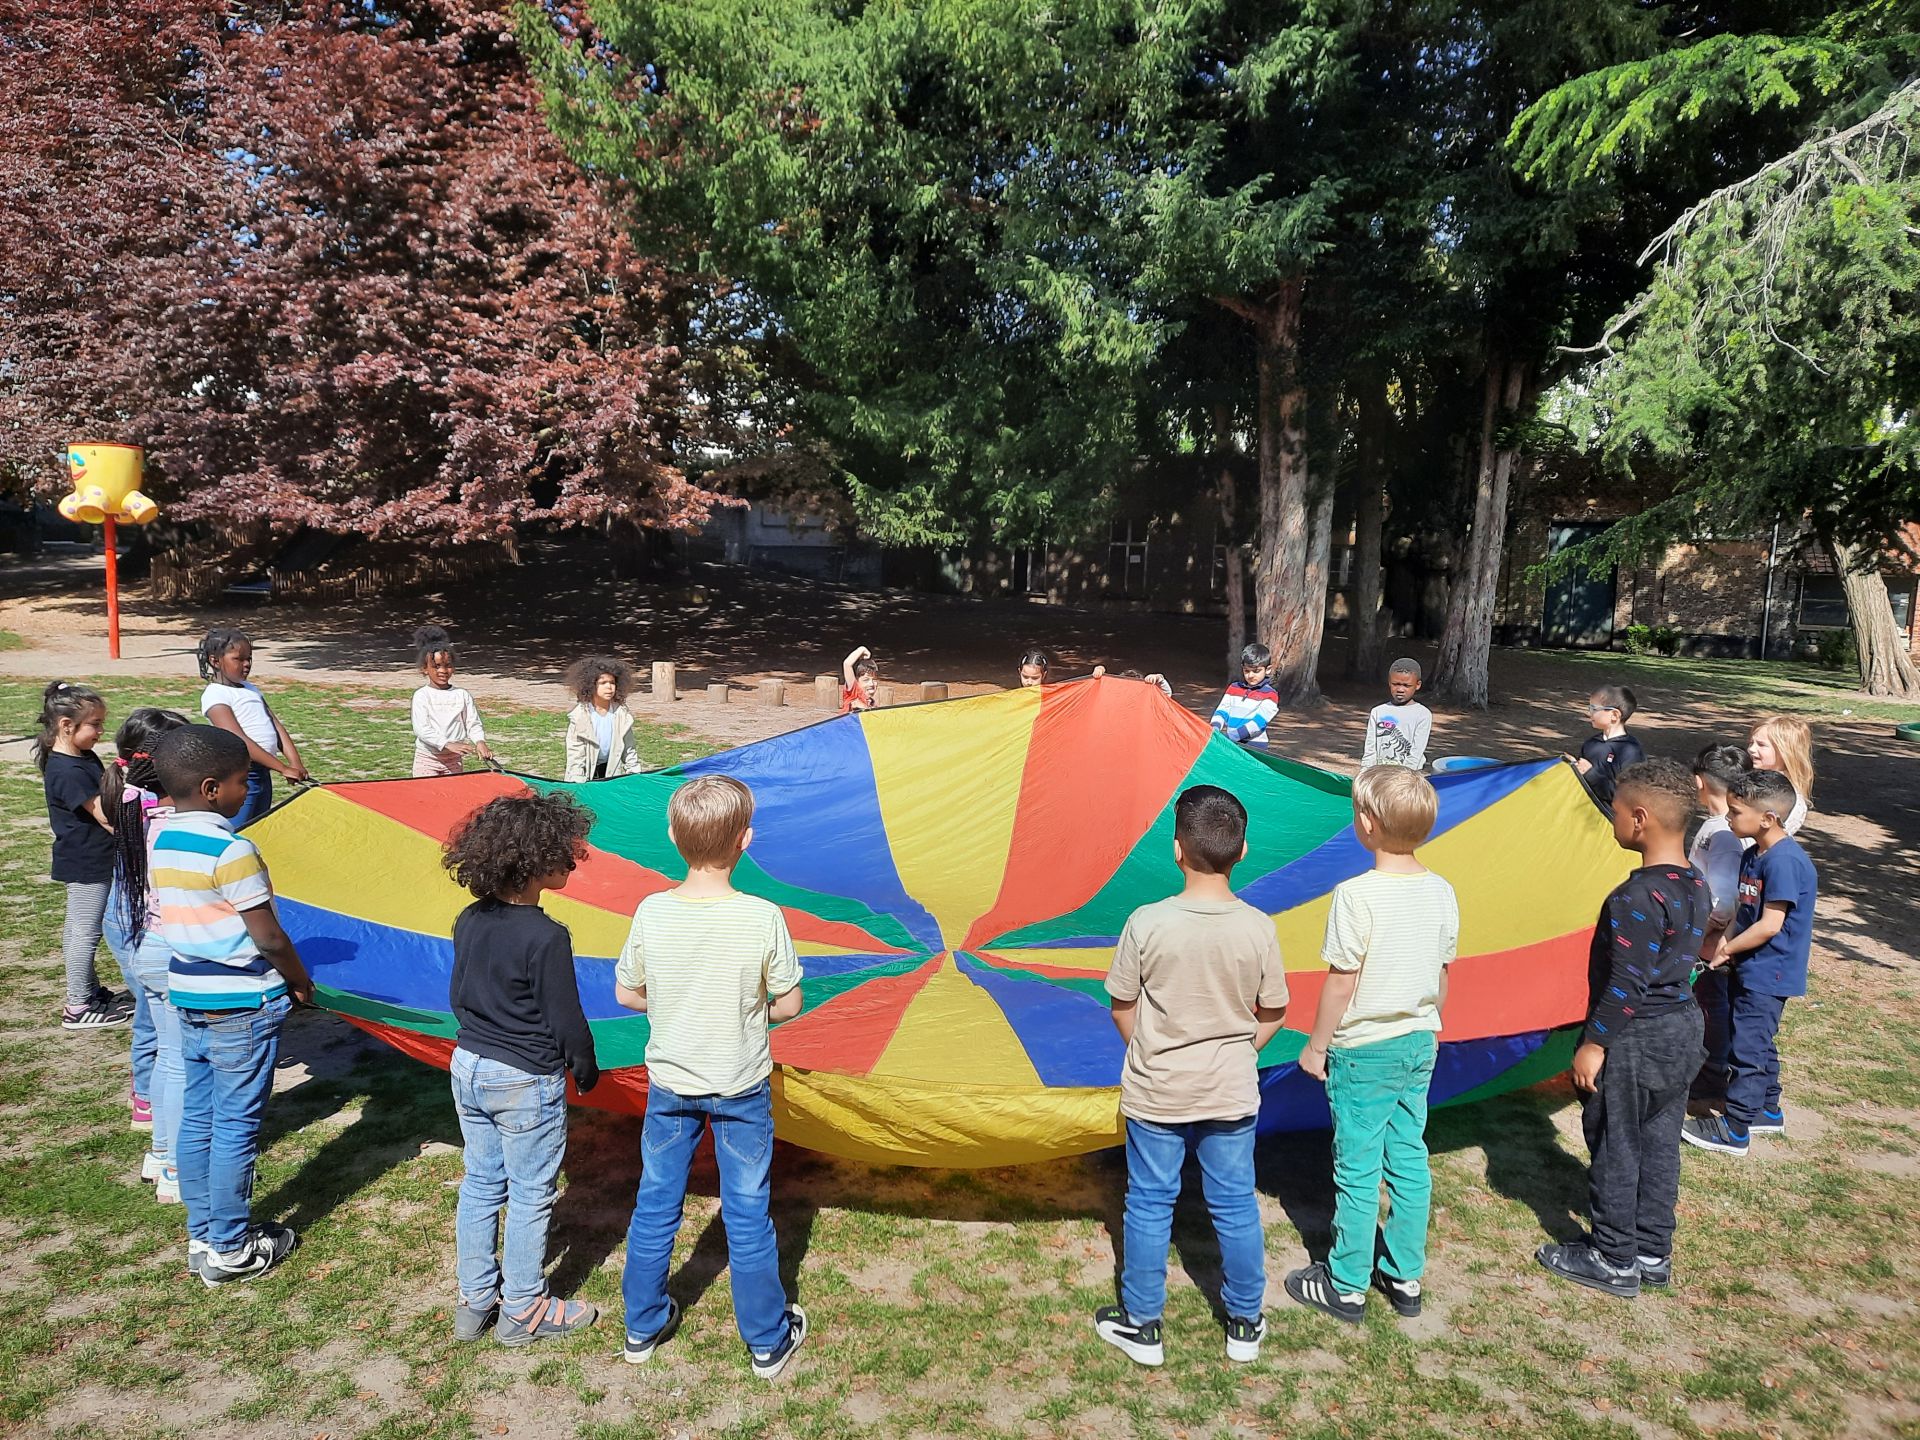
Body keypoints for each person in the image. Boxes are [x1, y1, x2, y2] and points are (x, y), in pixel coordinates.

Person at [616, 776, 809, 1379]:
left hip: (671, 1085)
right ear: (745, 841)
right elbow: (790, 1004)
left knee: (655, 1202)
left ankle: (642, 1326)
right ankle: (765, 1339)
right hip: (740, 1088)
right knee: (748, 1211)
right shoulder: (762, 916)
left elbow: (627, 992)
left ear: (673, 837)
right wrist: (746, 1007)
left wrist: (676, 1000)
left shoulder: (652, 911)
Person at [1094, 785, 1289, 1367]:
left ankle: (1142, 1322)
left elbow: (1121, 1003)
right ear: (1244, 850)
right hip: (1230, 1089)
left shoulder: (1148, 922)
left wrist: (1149, 1051)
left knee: (1150, 1201)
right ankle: (1246, 1322)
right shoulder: (1258, 928)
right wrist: (1236, 1051)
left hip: (1158, 1088)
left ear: (1175, 850)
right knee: (1234, 1205)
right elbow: (1274, 1011)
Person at [1286, 766, 1456, 1324]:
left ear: (1367, 824)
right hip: (1417, 1041)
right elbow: (1442, 971)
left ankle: (1347, 1282)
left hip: (1364, 1050)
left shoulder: (1355, 895)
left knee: (1357, 1167)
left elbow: (1342, 979)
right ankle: (1405, 1275)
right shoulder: (1441, 891)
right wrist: (1432, 1020)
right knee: (1409, 1157)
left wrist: (1316, 1045)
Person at [1536, 759, 1708, 1297]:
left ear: (1639, 819)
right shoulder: (1694, 883)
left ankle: (1613, 1257)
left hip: (1636, 1038)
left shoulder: (1634, 898)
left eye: (1612, 810)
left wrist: (1593, 1044)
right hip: (1682, 1029)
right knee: (1659, 1142)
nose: (1610, 817)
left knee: (1617, 1143)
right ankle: (1653, 1251)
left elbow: (1626, 984)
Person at [152, 724, 315, 1286]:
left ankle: (205, 1231)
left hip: (188, 995)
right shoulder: (232, 849)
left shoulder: (163, 838)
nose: (249, 789)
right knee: (236, 1129)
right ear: (212, 788)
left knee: (198, 1120)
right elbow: (268, 937)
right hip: (242, 1003)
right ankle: (230, 1247)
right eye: (244, 779)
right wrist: (300, 982)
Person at [441, 791, 602, 1346]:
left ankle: (475, 1300)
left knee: (481, 1184)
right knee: (532, 1193)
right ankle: (524, 1310)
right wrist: (585, 1067)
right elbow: (565, 1018)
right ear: (533, 864)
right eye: (564, 854)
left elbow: (460, 992)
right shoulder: (546, 936)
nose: (573, 862)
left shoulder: (469, 918)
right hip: (524, 1077)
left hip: (468, 1067)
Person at [1680, 768, 1818, 1157]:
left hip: (1769, 971)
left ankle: (1736, 1128)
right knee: (1757, 1039)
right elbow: (1744, 912)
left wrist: (1729, 948)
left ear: (1768, 818)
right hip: (1749, 965)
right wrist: (1722, 944)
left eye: (1736, 812)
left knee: (1748, 1047)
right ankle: (1767, 1110)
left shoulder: (1784, 862)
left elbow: (1771, 925)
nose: (1728, 818)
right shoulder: (1754, 855)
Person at [101, 707, 191, 1188]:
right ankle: (176, 1168)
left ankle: (160, 1152)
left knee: (164, 1051)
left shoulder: (132, 805)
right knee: (179, 1058)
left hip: (136, 936)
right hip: (167, 946)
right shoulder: (173, 827)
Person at [37, 681, 130, 1030]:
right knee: (84, 931)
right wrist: (137, 836)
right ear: (66, 726)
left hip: (90, 856)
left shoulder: (79, 757)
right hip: (87, 859)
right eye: (95, 724)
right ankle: (77, 1005)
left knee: (79, 928)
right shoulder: (67, 770)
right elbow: (105, 817)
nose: (101, 732)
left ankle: (90, 991)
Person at [1687, 743, 1752, 1106]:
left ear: (1699, 782)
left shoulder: (1722, 836)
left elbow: (1724, 901)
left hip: (1710, 949)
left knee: (1712, 1010)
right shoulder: (1722, 828)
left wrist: (1704, 939)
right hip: (1709, 944)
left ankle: (1712, 1079)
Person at [198, 627, 310, 826]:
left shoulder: (251, 689)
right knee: (237, 830)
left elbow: (276, 726)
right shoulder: (215, 694)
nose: (246, 664)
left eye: (249, 658)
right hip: (240, 775)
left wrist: (295, 763)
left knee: (258, 828)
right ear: (215, 661)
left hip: (263, 773)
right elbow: (237, 738)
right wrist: (282, 768)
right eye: (238, 659)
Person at [411, 624, 495, 777]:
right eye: (436, 666)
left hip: (453, 761)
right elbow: (422, 729)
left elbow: (472, 723)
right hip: (427, 759)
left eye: (447, 665)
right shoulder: (421, 696)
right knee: (427, 798)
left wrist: (480, 742)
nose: (443, 671)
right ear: (424, 669)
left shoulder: (462, 695)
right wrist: (447, 744)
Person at [562, 657, 640, 781]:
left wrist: (635, 773)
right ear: (591, 685)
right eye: (603, 683)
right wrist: (577, 781)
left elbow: (629, 749)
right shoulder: (579, 717)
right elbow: (575, 755)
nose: (609, 687)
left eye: (612, 682)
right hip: (586, 775)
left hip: (611, 774)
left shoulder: (622, 715)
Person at [1571, 684, 1645, 809]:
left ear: (1615, 715)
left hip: (1610, 820)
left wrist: (1591, 773)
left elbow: (1627, 795)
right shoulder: (1591, 744)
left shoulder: (1631, 751)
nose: (1590, 714)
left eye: (1594, 709)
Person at [1359, 658, 1433, 770]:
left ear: (1417, 685)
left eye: (1406, 685)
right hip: (1379, 773)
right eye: (1396, 684)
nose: (1400, 689)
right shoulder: (1378, 712)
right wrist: (1365, 771)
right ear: (1389, 682)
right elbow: (1370, 748)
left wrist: (1404, 775)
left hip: (1408, 776)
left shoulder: (1423, 714)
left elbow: (1416, 752)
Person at [1746, 716, 1814, 835]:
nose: (1751, 749)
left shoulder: (1787, 796)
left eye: (1761, 745)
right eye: (1751, 743)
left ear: (1785, 752)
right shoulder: (1753, 781)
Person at [1209, 643, 1280, 750]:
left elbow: (1258, 723)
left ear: (1268, 670)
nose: (1250, 675)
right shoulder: (1233, 688)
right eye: (1247, 671)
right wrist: (1214, 729)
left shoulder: (1270, 695)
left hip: (1254, 746)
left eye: (1256, 671)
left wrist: (1231, 737)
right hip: (1231, 745)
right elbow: (1222, 711)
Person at [841, 645, 879, 713]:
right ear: (856, 681)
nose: (871, 683)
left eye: (874, 679)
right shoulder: (854, 693)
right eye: (866, 680)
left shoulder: (871, 703)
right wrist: (862, 649)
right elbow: (847, 664)